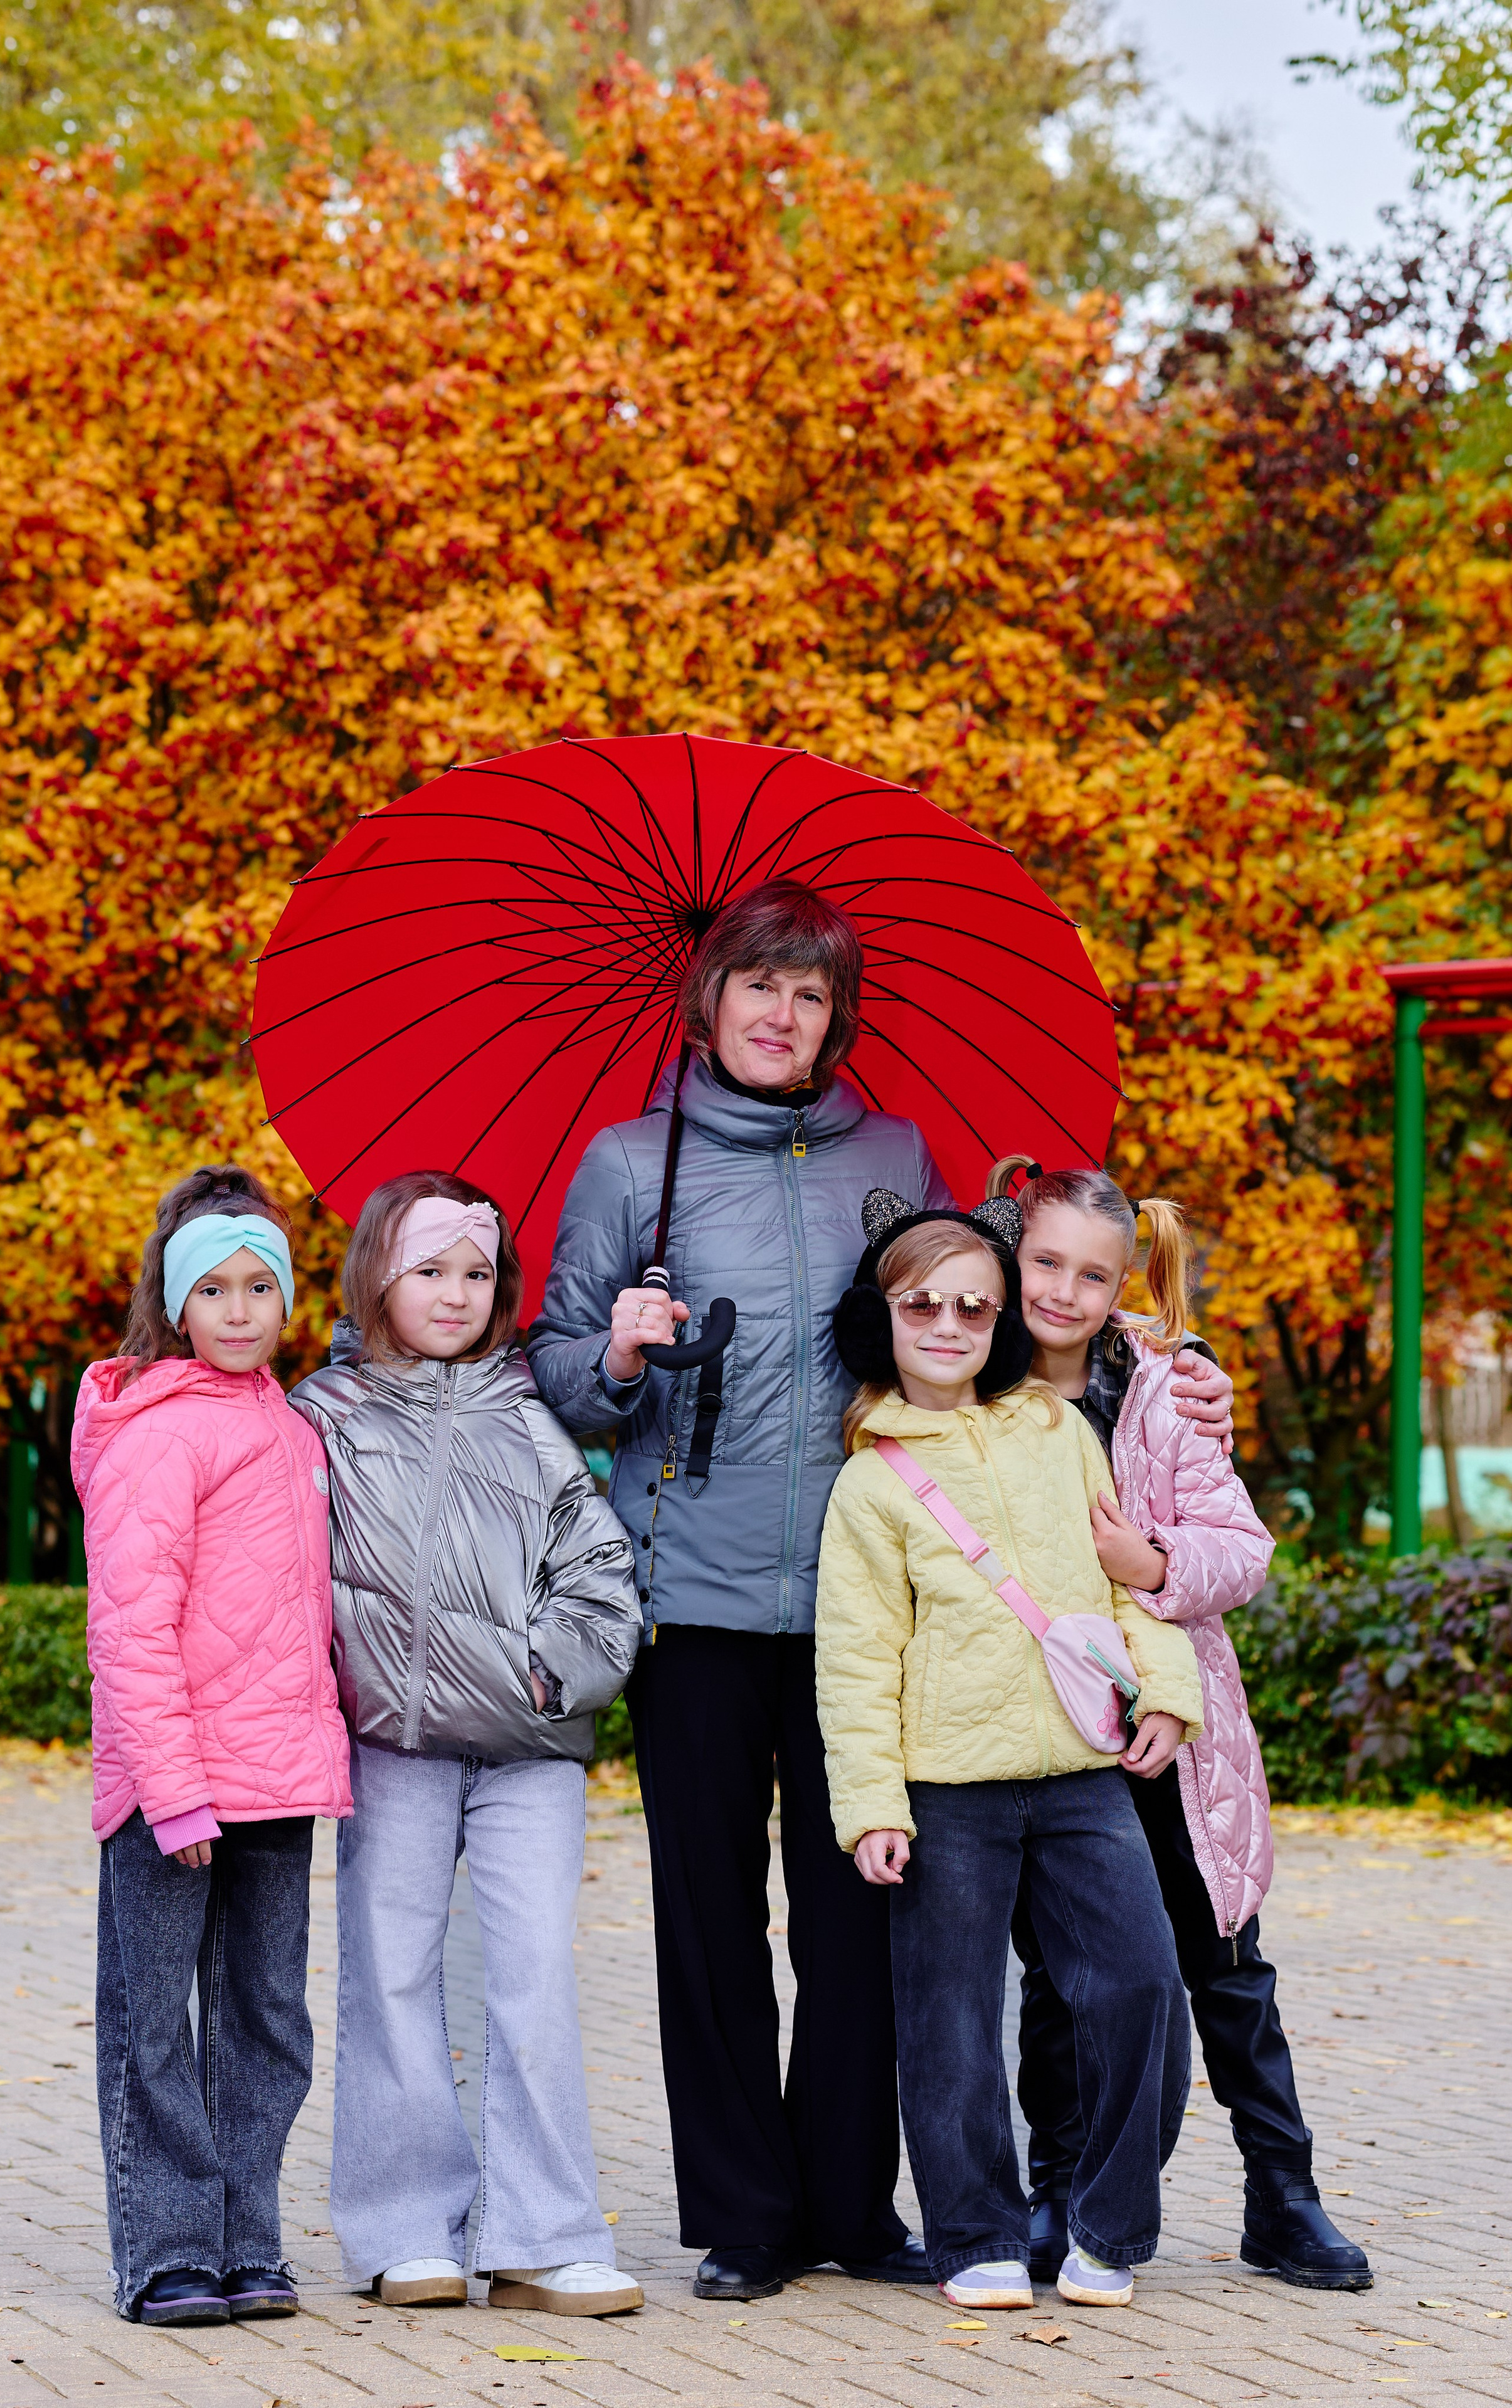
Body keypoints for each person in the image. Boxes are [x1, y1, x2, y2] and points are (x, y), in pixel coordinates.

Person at [529, 880, 1239, 2301]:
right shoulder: (626, 1164)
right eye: (757, 987)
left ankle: (853, 2204)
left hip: (882, 1603)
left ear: (833, 1015)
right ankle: (744, 2218)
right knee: (710, 1922)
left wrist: (1168, 1373)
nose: (782, 1015)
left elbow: (986, 1325)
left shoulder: (896, 1151)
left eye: (808, 994)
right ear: (708, 1001)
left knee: (862, 1909)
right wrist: (615, 1355)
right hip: (696, 1603)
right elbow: (555, 1378)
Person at [815, 1195, 1206, 2311]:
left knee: (1141, 1986)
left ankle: (1109, 2226)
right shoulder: (872, 1481)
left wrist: (1168, 1696)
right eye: (922, 1304)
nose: (948, 1324)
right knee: (948, 2022)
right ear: (881, 1316)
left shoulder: (1059, 1431)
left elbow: (1126, 1586)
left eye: (973, 1306)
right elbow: (856, 1662)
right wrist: (872, 1806)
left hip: (1085, 1774)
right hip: (949, 1788)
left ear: (1000, 1320)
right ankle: (975, 2236)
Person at [996, 1162, 1372, 2292]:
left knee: (1225, 1966)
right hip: (1043, 1730)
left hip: (1178, 1730)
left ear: (1125, 1284)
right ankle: (1056, 2189)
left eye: (1092, 1274)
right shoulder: (974, 1387)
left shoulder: (1165, 1390)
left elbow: (1241, 1551)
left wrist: (1147, 1563)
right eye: (1045, 1263)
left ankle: (1283, 2194)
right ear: (1014, 1256)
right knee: (1063, 1981)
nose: (1062, 1291)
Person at [288, 1172, 645, 2318]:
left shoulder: (531, 1420)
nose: (454, 1293)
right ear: (377, 1278)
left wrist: (551, 1672)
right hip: (390, 1744)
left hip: (526, 1750)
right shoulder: (322, 1416)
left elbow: (602, 1580)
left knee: (533, 1973)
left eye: (477, 1273)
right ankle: (405, 2228)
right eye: (429, 1269)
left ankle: (543, 2234)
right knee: (390, 1973)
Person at [73, 1163, 352, 2328]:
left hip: (277, 1780)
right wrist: (175, 1796)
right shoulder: (159, 1434)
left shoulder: (291, 1428)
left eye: (260, 1289)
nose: (240, 1312)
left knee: (266, 2020)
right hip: (170, 1793)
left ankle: (249, 2241)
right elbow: (130, 1632)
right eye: (215, 1290)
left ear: (286, 1301)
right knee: (154, 2021)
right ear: (175, 1304)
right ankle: (167, 2251)